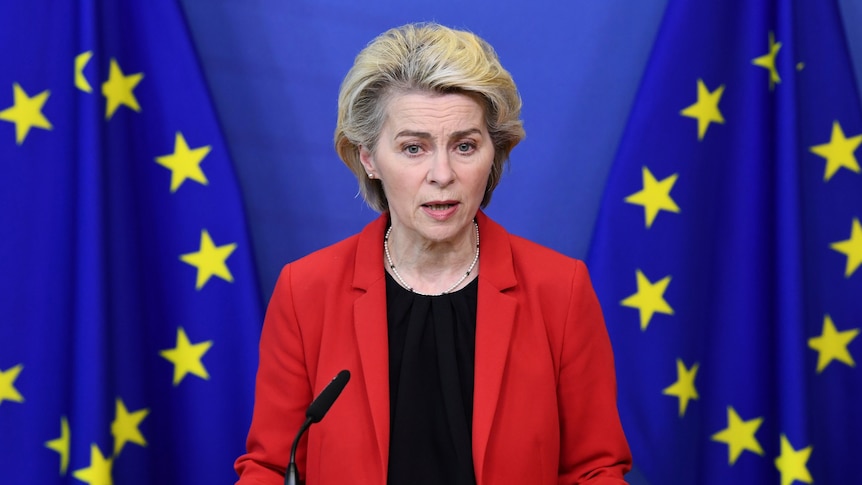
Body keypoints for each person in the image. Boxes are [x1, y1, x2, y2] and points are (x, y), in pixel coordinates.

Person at [234, 22, 632, 485]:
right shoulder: (306, 291)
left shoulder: (559, 290)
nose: (442, 173)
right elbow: (270, 467)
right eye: (413, 148)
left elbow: (594, 470)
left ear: (494, 153)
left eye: (464, 146)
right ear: (368, 157)